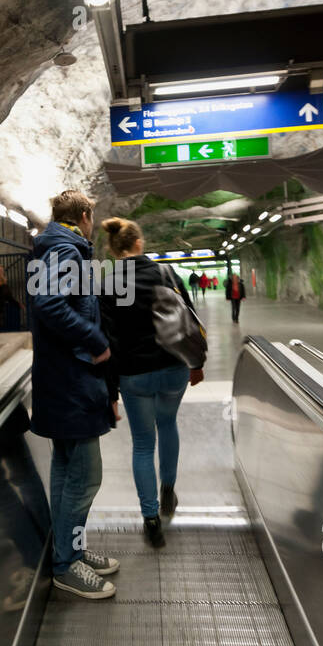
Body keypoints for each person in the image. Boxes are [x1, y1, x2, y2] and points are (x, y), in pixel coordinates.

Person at [28, 190, 120, 600]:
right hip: (72, 383)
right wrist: (94, 338)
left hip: (66, 382)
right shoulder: (65, 250)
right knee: (85, 477)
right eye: (91, 218)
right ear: (84, 216)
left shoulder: (57, 248)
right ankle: (66, 564)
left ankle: (73, 550)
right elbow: (49, 303)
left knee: (67, 473)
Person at [100, 216, 204, 549]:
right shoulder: (166, 272)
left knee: (143, 444)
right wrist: (196, 363)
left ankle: (151, 520)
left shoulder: (109, 283)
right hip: (173, 368)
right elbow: (188, 316)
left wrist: (111, 389)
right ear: (139, 243)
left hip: (134, 375)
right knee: (168, 423)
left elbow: (107, 341)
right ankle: (168, 492)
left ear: (114, 249)